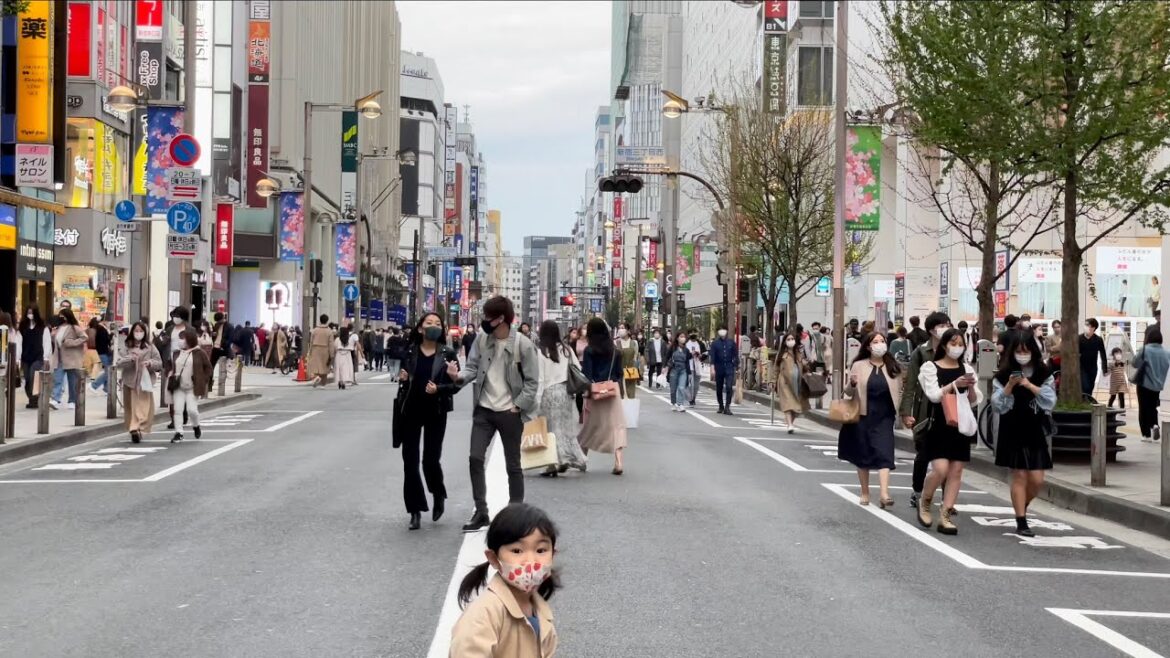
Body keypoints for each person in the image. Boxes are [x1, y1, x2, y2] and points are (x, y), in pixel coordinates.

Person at [448, 296, 540, 533]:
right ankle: (481, 511)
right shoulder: (482, 340)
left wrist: (518, 406)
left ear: (501, 319)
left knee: (513, 466)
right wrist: (457, 377)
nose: (485, 321)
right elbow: (471, 367)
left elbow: (532, 382)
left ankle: (516, 515)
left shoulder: (523, 344)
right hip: (484, 409)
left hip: (510, 411)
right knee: (475, 458)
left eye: (489, 317)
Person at [452, 503, 559, 657]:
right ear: (494, 558)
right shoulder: (483, 615)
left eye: (541, 550)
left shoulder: (540, 609)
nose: (530, 561)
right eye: (517, 551)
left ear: (552, 555)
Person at [397, 312, 461, 530]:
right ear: (420, 328)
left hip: (436, 411)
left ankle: (438, 493)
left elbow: (457, 385)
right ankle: (414, 510)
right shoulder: (411, 351)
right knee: (410, 462)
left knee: (430, 461)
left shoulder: (448, 353)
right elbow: (404, 378)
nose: (434, 326)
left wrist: (443, 386)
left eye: (438, 324)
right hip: (411, 410)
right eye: (429, 323)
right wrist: (404, 379)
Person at [917, 328, 983, 535]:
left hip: (960, 425)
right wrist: (954, 384)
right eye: (953, 343)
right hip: (939, 424)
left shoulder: (967, 368)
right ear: (944, 345)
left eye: (960, 344)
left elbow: (975, 400)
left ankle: (945, 514)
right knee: (940, 469)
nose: (957, 348)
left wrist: (970, 386)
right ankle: (925, 501)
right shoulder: (930, 367)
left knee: (956, 471)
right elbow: (934, 395)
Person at [990, 331, 1056, 537]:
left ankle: (1023, 504)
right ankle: (1021, 521)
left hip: (1035, 427)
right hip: (1012, 427)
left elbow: (1050, 400)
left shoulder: (1043, 372)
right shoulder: (1003, 374)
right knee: (1018, 474)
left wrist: (1029, 385)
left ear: (1033, 351)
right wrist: (1009, 385)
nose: (1022, 354)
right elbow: (997, 405)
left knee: (1037, 479)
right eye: (1018, 351)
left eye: (1026, 350)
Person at [839, 331, 903, 508]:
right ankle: (865, 491)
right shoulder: (858, 365)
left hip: (885, 415)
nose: (880, 344)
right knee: (863, 454)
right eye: (876, 341)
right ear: (868, 346)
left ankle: (884, 494)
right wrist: (851, 384)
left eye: (882, 341)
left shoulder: (893, 366)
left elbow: (899, 391)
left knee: (885, 453)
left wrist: (903, 413)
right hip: (862, 414)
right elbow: (848, 392)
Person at [899, 311, 953, 510]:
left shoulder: (954, 349)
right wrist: (905, 412)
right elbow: (910, 384)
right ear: (932, 330)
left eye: (948, 324)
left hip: (949, 408)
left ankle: (947, 498)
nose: (946, 328)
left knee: (949, 454)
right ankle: (917, 491)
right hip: (925, 410)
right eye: (943, 325)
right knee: (923, 453)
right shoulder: (921, 353)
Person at [534, 320, 587, 476]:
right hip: (565, 392)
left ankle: (553, 463)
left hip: (548, 393)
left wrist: (537, 400)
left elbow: (541, 379)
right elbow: (578, 368)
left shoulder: (542, 351)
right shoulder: (566, 349)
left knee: (550, 430)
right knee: (565, 428)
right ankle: (576, 458)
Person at [577, 318, 627, 474]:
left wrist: (586, 392)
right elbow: (619, 374)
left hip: (596, 392)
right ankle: (618, 462)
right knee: (616, 427)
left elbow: (587, 374)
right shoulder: (615, 351)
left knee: (590, 427)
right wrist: (617, 387)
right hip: (613, 391)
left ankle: (582, 461)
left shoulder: (589, 350)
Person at [117, 322, 163, 444]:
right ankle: (134, 428)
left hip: (144, 381)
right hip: (129, 380)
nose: (138, 333)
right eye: (136, 331)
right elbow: (118, 362)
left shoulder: (150, 347)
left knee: (143, 406)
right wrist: (130, 359)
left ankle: (136, 428)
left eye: (140, 331)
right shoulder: (126, 346)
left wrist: (149, 363)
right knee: (130, 407)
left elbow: (159, 362)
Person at [169, 329, 211, 443]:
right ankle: (179, 432)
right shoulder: (177, 353)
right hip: (178, 386)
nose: (181, 341)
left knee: (192, 410)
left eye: (183, 338)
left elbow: (208, 368)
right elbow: (172, 365)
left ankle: (196, 425)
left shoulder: (199, 353)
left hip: (192, 387)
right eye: (180, 338)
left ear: (190, 340)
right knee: (177, 410)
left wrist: (203, 380)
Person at [1131, 327, 1168, 443]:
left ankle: (1146, 434)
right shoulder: (1167, 353)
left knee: (1143, 408)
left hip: (1144, 384)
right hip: (1157, 386)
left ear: (1149, 338)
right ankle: (1155, 425)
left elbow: (1135, 364)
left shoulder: (1145, 349)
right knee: (1152, 407)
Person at [50, 308, 87, 410]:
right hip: (59, 358)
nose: (61, 318)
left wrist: (72, 343)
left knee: (72, 381)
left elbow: (84, 337)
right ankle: (55, 399)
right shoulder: (58, 327)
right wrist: (53, 336)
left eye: (63, 316)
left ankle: (72, 400)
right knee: (57, 379)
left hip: (71, 358)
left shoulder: (74, 327)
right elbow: (58, 342)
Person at [773, 331, 809, 434]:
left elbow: (805, 368)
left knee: (797, 406)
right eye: (788, 339)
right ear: (784, 342)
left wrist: (806, 364)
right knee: (788, 404)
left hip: (798, 383)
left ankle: (790, 422)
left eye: (792, 339)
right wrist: (773, 381)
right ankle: (789, 424)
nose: (790, 341)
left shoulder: (799, 353)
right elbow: (776, 368)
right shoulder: (781, 355)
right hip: (785, 382)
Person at [18, 307, 51, 408]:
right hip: (26, 356)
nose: (30, 315)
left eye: (32, 313)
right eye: (28, 313)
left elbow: (47, 342)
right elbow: (19, 343)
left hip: (38, 356)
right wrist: (18, 358)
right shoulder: (23, 327)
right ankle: (31, 399)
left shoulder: (43, 327)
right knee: (27, 379)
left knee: (34, 376)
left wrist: (46, 357)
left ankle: (35, 398)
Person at [709, 326, 738, 415]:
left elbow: (735, 355)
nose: (722, 331)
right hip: (719, 367)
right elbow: (712, 357)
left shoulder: (731, 342)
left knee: (729, 386)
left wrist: (738, 367)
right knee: (719, 388)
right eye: (720, 329)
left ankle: (727, 406)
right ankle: (721, 405)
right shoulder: (715, 344)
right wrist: (712, 368)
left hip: (729, 367)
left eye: (724, 329)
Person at [1079, 318, 1108, 399]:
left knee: (1091, 386)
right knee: (1085, 386)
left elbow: (1103, 354)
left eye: (1088, 325)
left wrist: (1104, 369)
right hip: (1082, 367)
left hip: (1093, 367)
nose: (1085, 327)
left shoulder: (1098, 340)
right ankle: (1084, 402)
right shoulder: (1079, 338)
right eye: (1085, 325)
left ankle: (1087, 403)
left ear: (1093, 328)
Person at [666, 332, 693, 411]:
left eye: (684, 337)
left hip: (683, 370)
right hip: (674, 370)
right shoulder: (672, 348)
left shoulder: (686, 350)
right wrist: (664, 367)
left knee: (681, 387)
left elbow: (687, 362)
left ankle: (680, 404)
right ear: (677, 338)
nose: (683, 338)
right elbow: (667, 357)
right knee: (673, 388)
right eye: (681, 336)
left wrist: (689, 373)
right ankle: (673, 403)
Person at [307, 314, 334, 388]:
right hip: (325, 350)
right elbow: (331, 344)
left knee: (317, 367)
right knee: (324, 368)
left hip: (315, 349)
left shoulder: (314, 330)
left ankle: (317, 377)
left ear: (320, 320)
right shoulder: (329, 331)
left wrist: (310, 351)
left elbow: (311, 341)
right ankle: (323, 384)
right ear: (327, 321)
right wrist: (331, 355)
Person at [87, 317, 112, 395]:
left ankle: (106, 388)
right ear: (103, 321)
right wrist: (111, 336)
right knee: (108, 372)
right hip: (103, 352)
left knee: (108, 370)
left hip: (103, 352)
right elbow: (104, 341)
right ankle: (94, 385)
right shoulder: (101, 329)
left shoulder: (100, 329)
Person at [615, 323, 640, 399]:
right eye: (619, 328)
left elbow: (636, 357)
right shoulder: (616, 343)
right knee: (620, 392)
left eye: (622, 328)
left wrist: (637, 370)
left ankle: (630, 409)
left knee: (631, 392)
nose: (620, 330)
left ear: (628, 331)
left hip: (631, 369)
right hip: (619, 370)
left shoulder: (634, 343)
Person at [334, 324, 359, 389]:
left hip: (339, 354)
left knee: (339, 368)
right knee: (346, 369)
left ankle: (340, 381)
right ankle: (344, 381)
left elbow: (335, 347)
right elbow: (352, 347)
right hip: (347, 354)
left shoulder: (337, 339)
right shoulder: (348, 340)